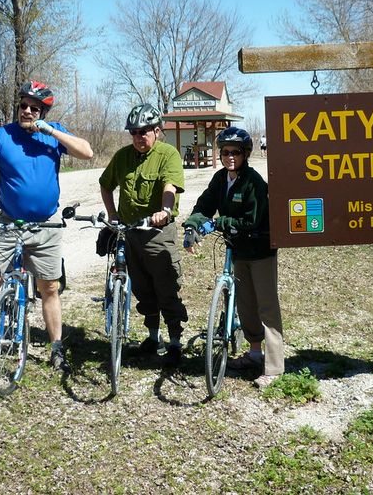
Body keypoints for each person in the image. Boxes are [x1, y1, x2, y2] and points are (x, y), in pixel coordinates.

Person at [0, 81, 93, 376]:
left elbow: (87, 153)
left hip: (46, 224)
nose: (28, 111)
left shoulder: (53, 133)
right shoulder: (0, 137)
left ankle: (56, 349)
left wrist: (51, 132)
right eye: (23, 105)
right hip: (9, 222)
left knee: (49, 288)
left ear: (43, 112)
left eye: (35, 108)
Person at [183, 127, 284, 388]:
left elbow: (251, 220)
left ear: (245, 154)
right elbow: (204, 205)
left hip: (260, 250)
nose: (230, 157)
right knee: (246, 304)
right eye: (225, 152)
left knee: (266, 307)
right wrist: (192, 226)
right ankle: (254, 354)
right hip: (238, 249)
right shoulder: (220, 179)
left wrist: (218, 223)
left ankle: (274, 368)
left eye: (235, 152)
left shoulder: (254, 182)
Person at [99, 103, 187, 366]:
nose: (138, 137)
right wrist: (112, 214)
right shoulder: (122, 157)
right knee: (142, 288)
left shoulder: (168, 154)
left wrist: (165, 210)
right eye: (134, 132)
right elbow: (105, 185)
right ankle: (153, 336)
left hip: (157, 232)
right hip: (130, 232)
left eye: (144, 131)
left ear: (157, 131)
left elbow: (170, 186)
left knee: (166, 287)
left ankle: (174, 342)